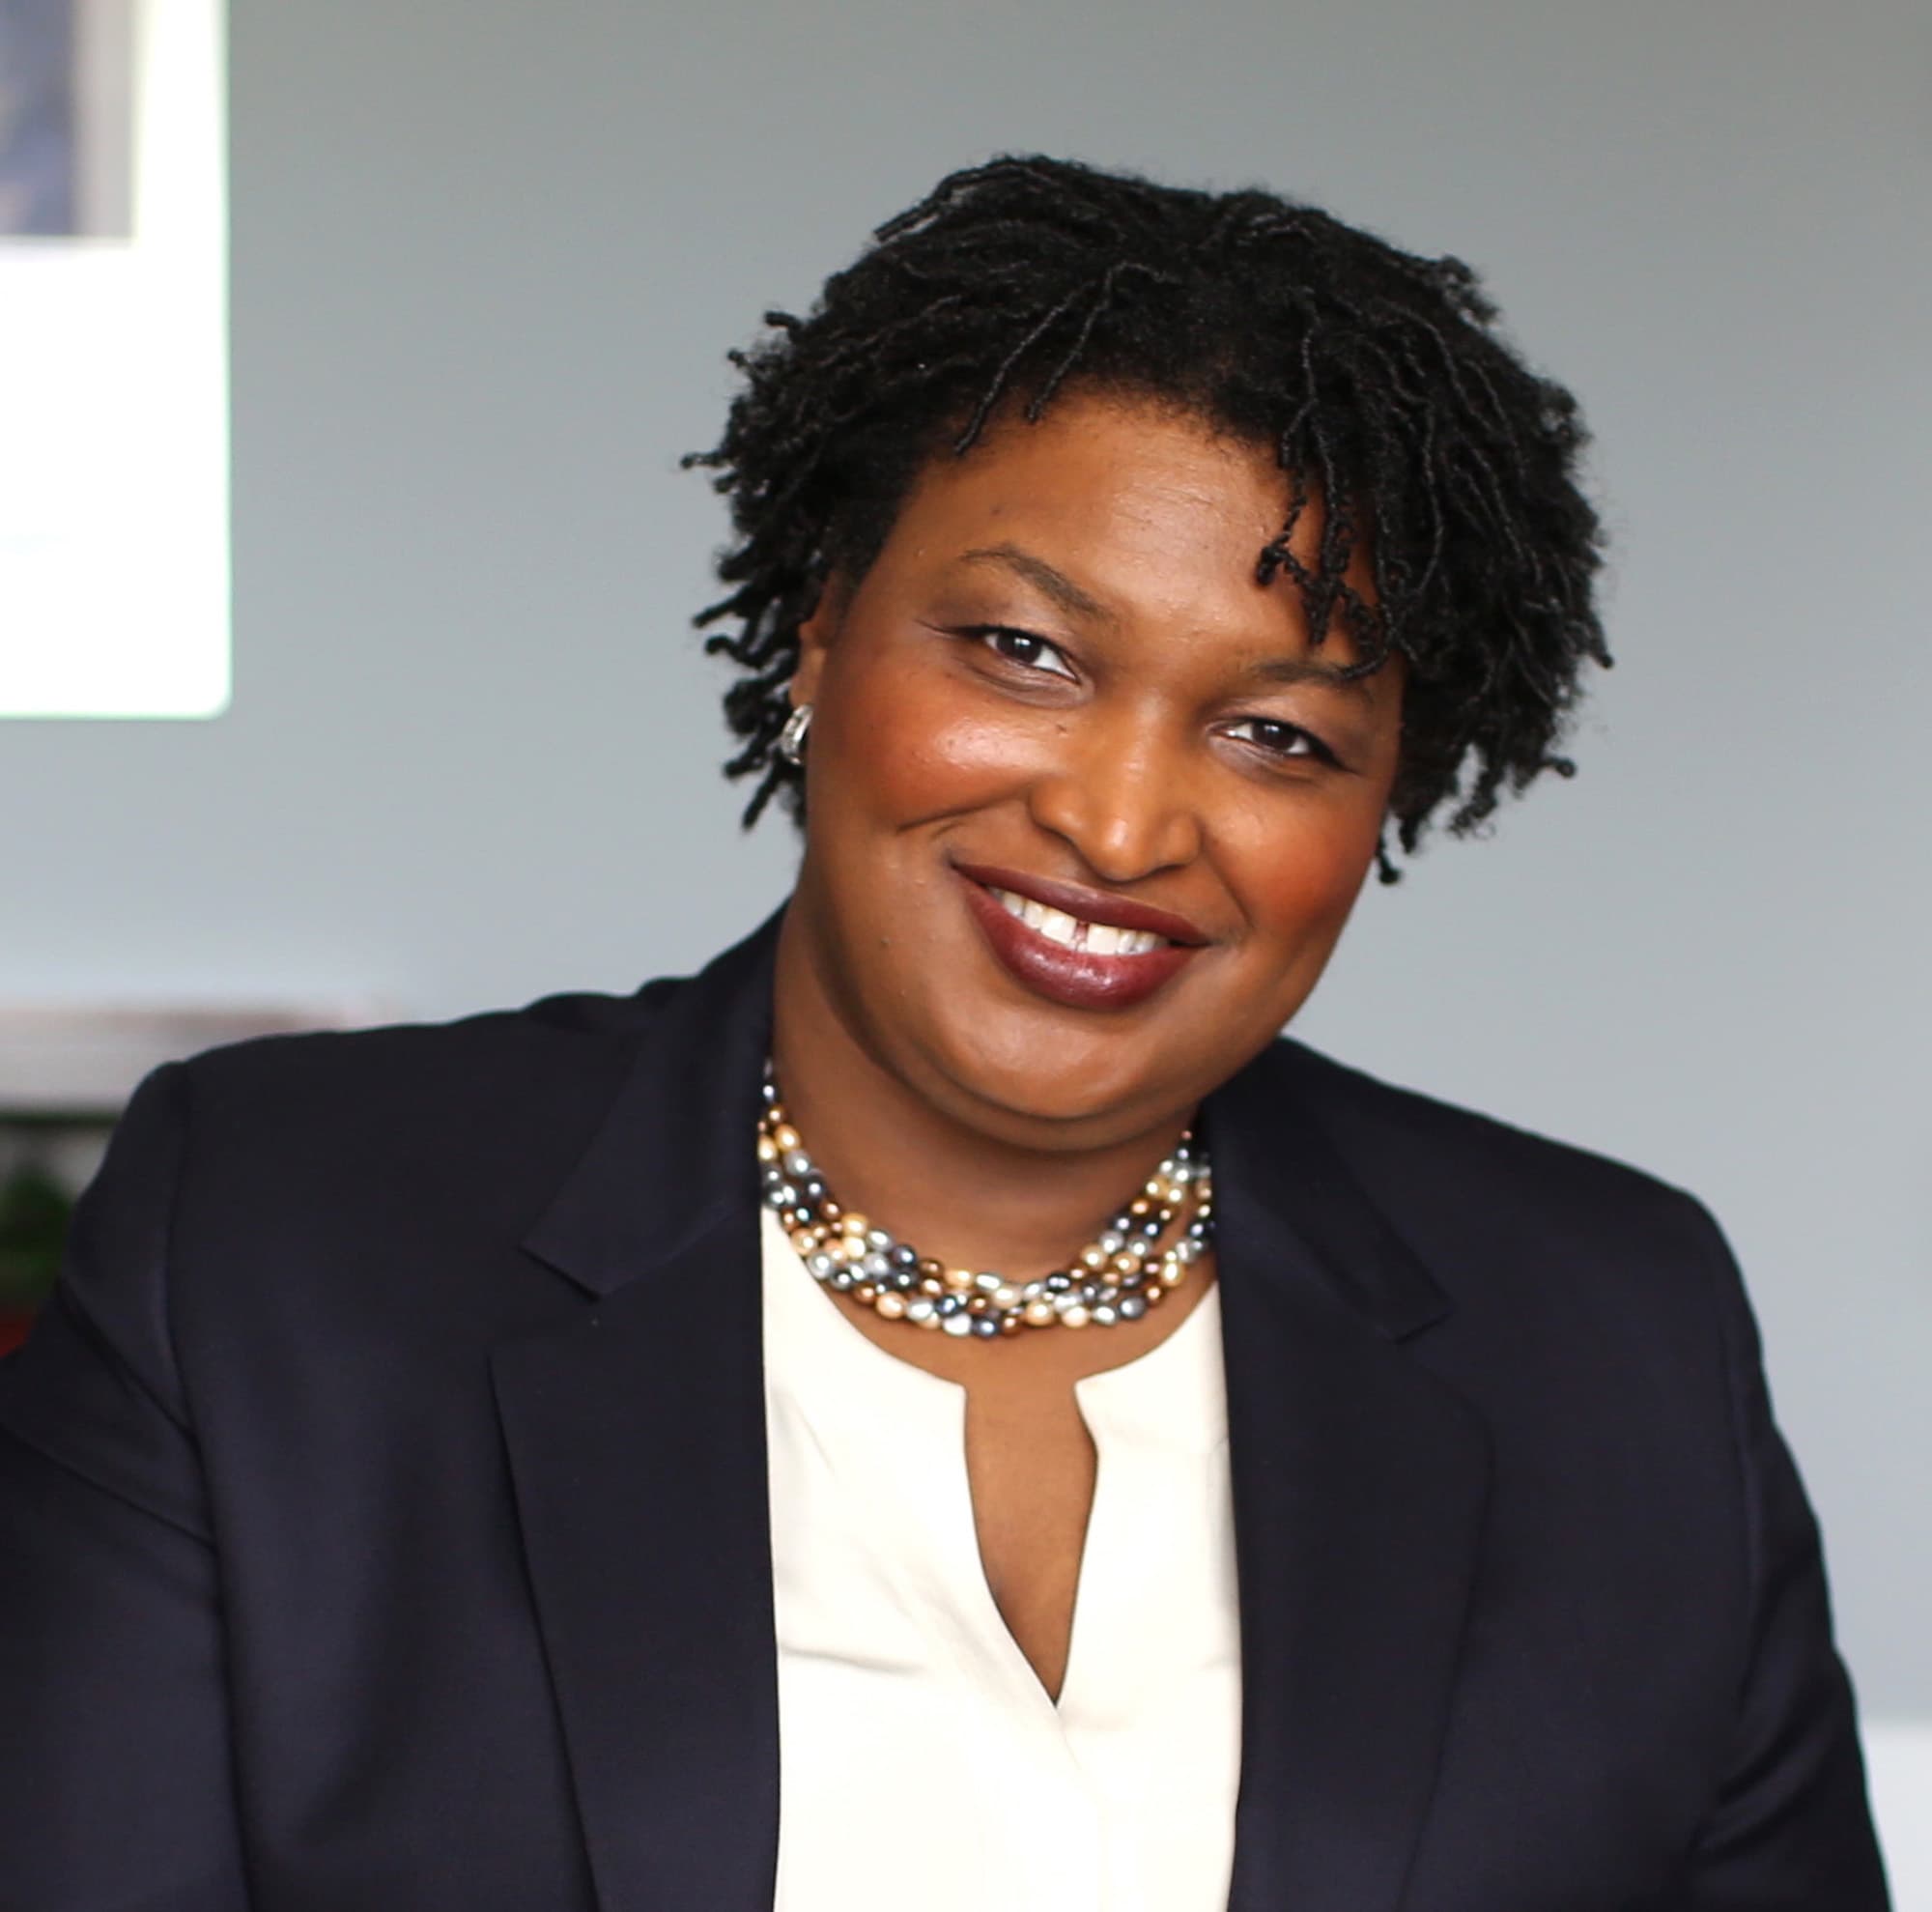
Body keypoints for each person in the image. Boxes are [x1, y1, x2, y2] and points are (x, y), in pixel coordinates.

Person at [0, 156, 1889, 1911]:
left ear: (1385, 797)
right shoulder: (280, 1244)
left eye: (1277, 734)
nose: (1122, 826)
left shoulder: (1612, 1337)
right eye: (1025, 652)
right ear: (823, 632)